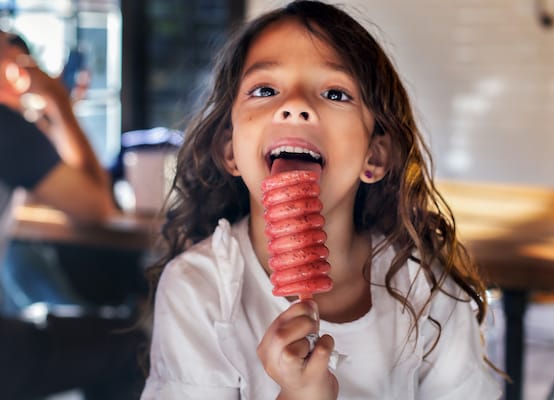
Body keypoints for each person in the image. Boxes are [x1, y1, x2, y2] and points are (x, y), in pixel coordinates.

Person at [142, 1, 501, 399]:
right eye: (265, 90)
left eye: (335, 92)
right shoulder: (199, 290)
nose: (295, 105)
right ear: (229, 149)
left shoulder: (427, 292)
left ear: (375, 156)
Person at [0, 30, 145, 399]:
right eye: (18, 62)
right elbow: (96, 208)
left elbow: (48, 176)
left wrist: (53, 112)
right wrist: (60, 103)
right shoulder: (6, 128)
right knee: (133, 345)